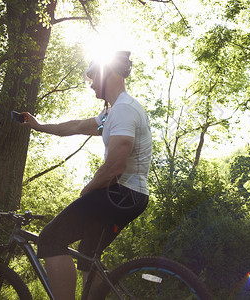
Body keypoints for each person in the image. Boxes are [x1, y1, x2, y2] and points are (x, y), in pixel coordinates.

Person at [21, 50, 152, 300]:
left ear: (109, 74)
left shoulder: (125, 110)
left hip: (120, 194)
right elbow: (76, 126)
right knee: (87, 258)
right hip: (129, 197)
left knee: (50, 239)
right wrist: (38, 126)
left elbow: (115, 167)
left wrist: (89, 189)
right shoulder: (111, 113)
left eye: (93, 76)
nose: (91, 83)